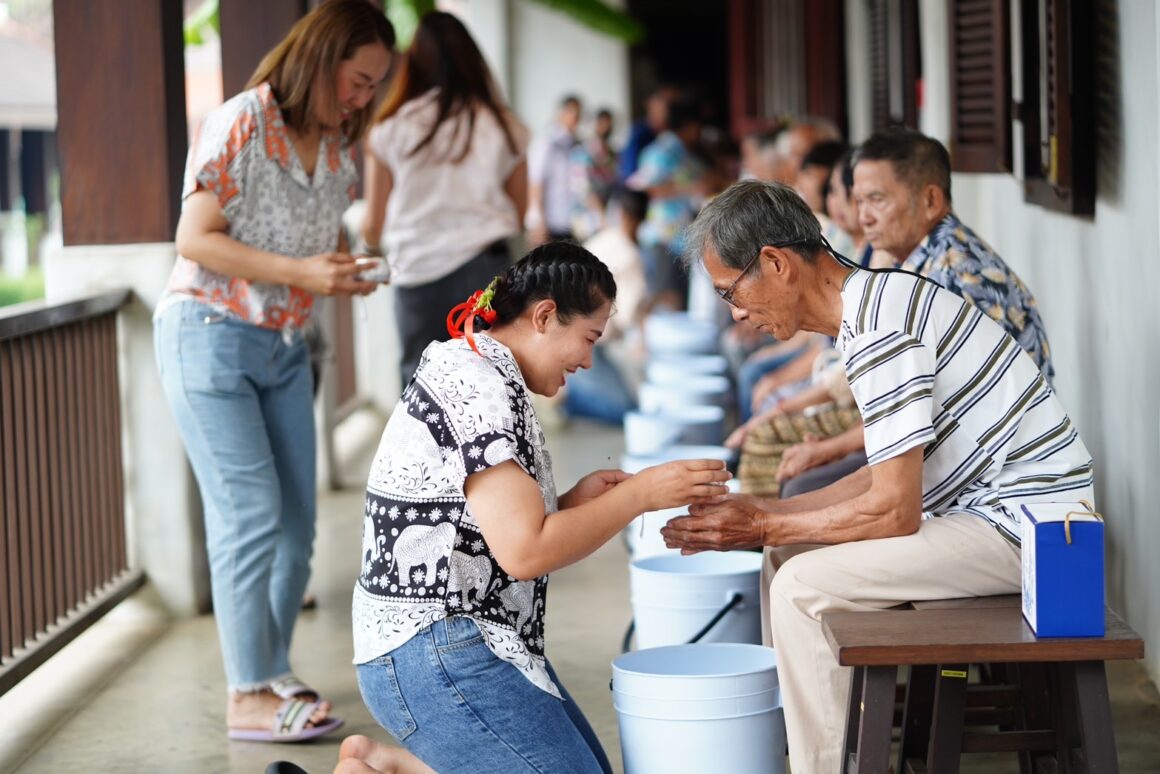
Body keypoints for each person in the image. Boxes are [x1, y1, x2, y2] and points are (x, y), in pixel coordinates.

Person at [660, 180, 1093, 773]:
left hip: (1038, 532)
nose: (736, 312)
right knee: (783, 558)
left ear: (776, 264)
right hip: (989, 515)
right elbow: (878, 477)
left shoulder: (881, 327)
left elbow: (893, 510)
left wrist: (761, 521)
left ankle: (825, 765)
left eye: (731, 292)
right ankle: (828, 741)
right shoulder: (873, 306)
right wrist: (767, 517)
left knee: (799, 590)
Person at [349, 243, 731, 773]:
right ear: (545, 316)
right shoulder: (479, 387)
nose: (589, 361)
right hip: (432, 649)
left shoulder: (479, 366)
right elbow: (525, 552)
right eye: (589, 339)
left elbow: (497, 527)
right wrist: (638, 496)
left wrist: (577, 503)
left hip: (448, 640)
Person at [153, 1, 394, 742]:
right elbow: (195, 238)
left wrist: (336, 275)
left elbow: (303, 259)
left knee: (297, 525)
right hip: (209, 335)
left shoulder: (338, 147)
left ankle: (271, 667)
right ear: (320, 58)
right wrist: (301, 270)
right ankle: (246, 691)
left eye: (372, 87)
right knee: (250, 515)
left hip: (286, 346)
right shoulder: (240, 122)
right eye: (357, 80)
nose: (362, 98)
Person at [360, 11, 529, 389]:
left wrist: (370, 250)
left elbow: (373, 222)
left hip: (417, 269)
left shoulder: (390, 129)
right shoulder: (505, 125)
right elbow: (519, 213)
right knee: (489, 384)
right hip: (486, 268)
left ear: (413, 63)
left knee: (420, 387)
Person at [852, 127, 1054, 381]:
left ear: (930, 201)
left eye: (877, 199)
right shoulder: (928, 259)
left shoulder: (957, 275)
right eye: (859, 201)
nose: (864, 218)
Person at [565, 187, 651, 422]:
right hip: (589, 343)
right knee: (628, 411)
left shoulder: (602, 238)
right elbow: (626, 317)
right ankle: (566, 400)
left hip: (572, 331)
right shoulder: (630, 255)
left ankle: (568, 391)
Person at [627, 97, 706, 307]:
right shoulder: (661, 151)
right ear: (690, 126)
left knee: (675, 298)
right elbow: (647, 188)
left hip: (680, 237)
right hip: (664, 236)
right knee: (666, 299)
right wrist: (690, 188)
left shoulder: (682, 152)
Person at [527, 94, 583, 244]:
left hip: (571, 222)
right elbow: (536, 182)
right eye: (571, 112)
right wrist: (538, 221)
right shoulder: (546, 143)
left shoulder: (576, 145)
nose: (575, 118)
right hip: (551, 224)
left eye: (578, 114)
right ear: (561, 113)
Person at [568, 107, 619, 240]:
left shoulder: (612, 154)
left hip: (609, 219)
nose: (605, 128)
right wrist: (601, 217)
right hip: (587, 222)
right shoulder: (581, 154)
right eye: (601, 123)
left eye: (608, 124)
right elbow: (583, 190)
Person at [617, 84, 678, 182]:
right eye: (666, 105)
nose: (670, 111)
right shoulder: (637, 133)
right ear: (650, 105)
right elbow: (629, 175)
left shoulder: (673, 133)